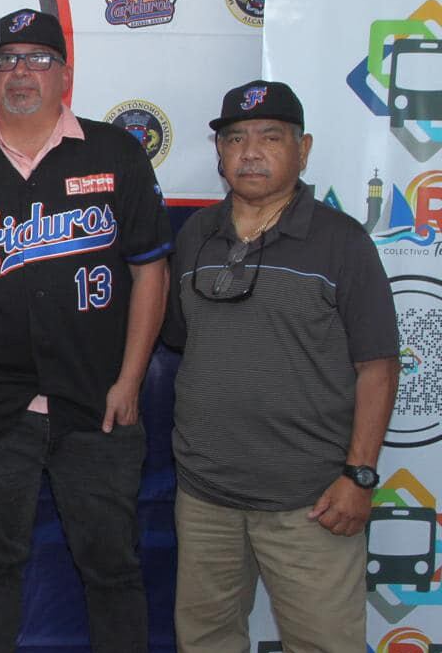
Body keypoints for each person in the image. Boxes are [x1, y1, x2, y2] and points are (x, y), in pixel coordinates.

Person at [0, 9, 171, 652]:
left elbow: (150, 271)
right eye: (5, 61)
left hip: (100, 403)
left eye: (37, 59)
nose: (20, 73)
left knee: (112, 569)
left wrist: (131, 378)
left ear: (65, 76)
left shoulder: (115, 153)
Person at [162, 80, 398, 653]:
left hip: (311, 501)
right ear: (219, 152)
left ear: (303, 148)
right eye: (236, 138)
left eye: (271, 137)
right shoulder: (196, 235)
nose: (250, 151)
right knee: (206, 641)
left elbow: (380, 367)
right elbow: (181, 341)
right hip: (206, 498)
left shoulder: (341, 242)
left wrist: (359, 476)